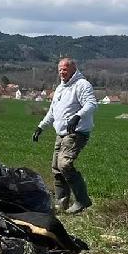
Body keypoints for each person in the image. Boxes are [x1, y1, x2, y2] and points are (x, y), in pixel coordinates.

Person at [33, 57, 97, 214]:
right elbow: (52, 111)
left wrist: (77, 116)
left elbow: (91, 104)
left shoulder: (82, 85)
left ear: (73, 69)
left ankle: (82, 200)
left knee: (64, 165)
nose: (62, 72)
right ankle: (61, 203)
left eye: (65, 69)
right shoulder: (61, 88)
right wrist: (41, 127)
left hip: (77, 132)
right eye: (60, 69)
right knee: (56, 168)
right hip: (61, 133)